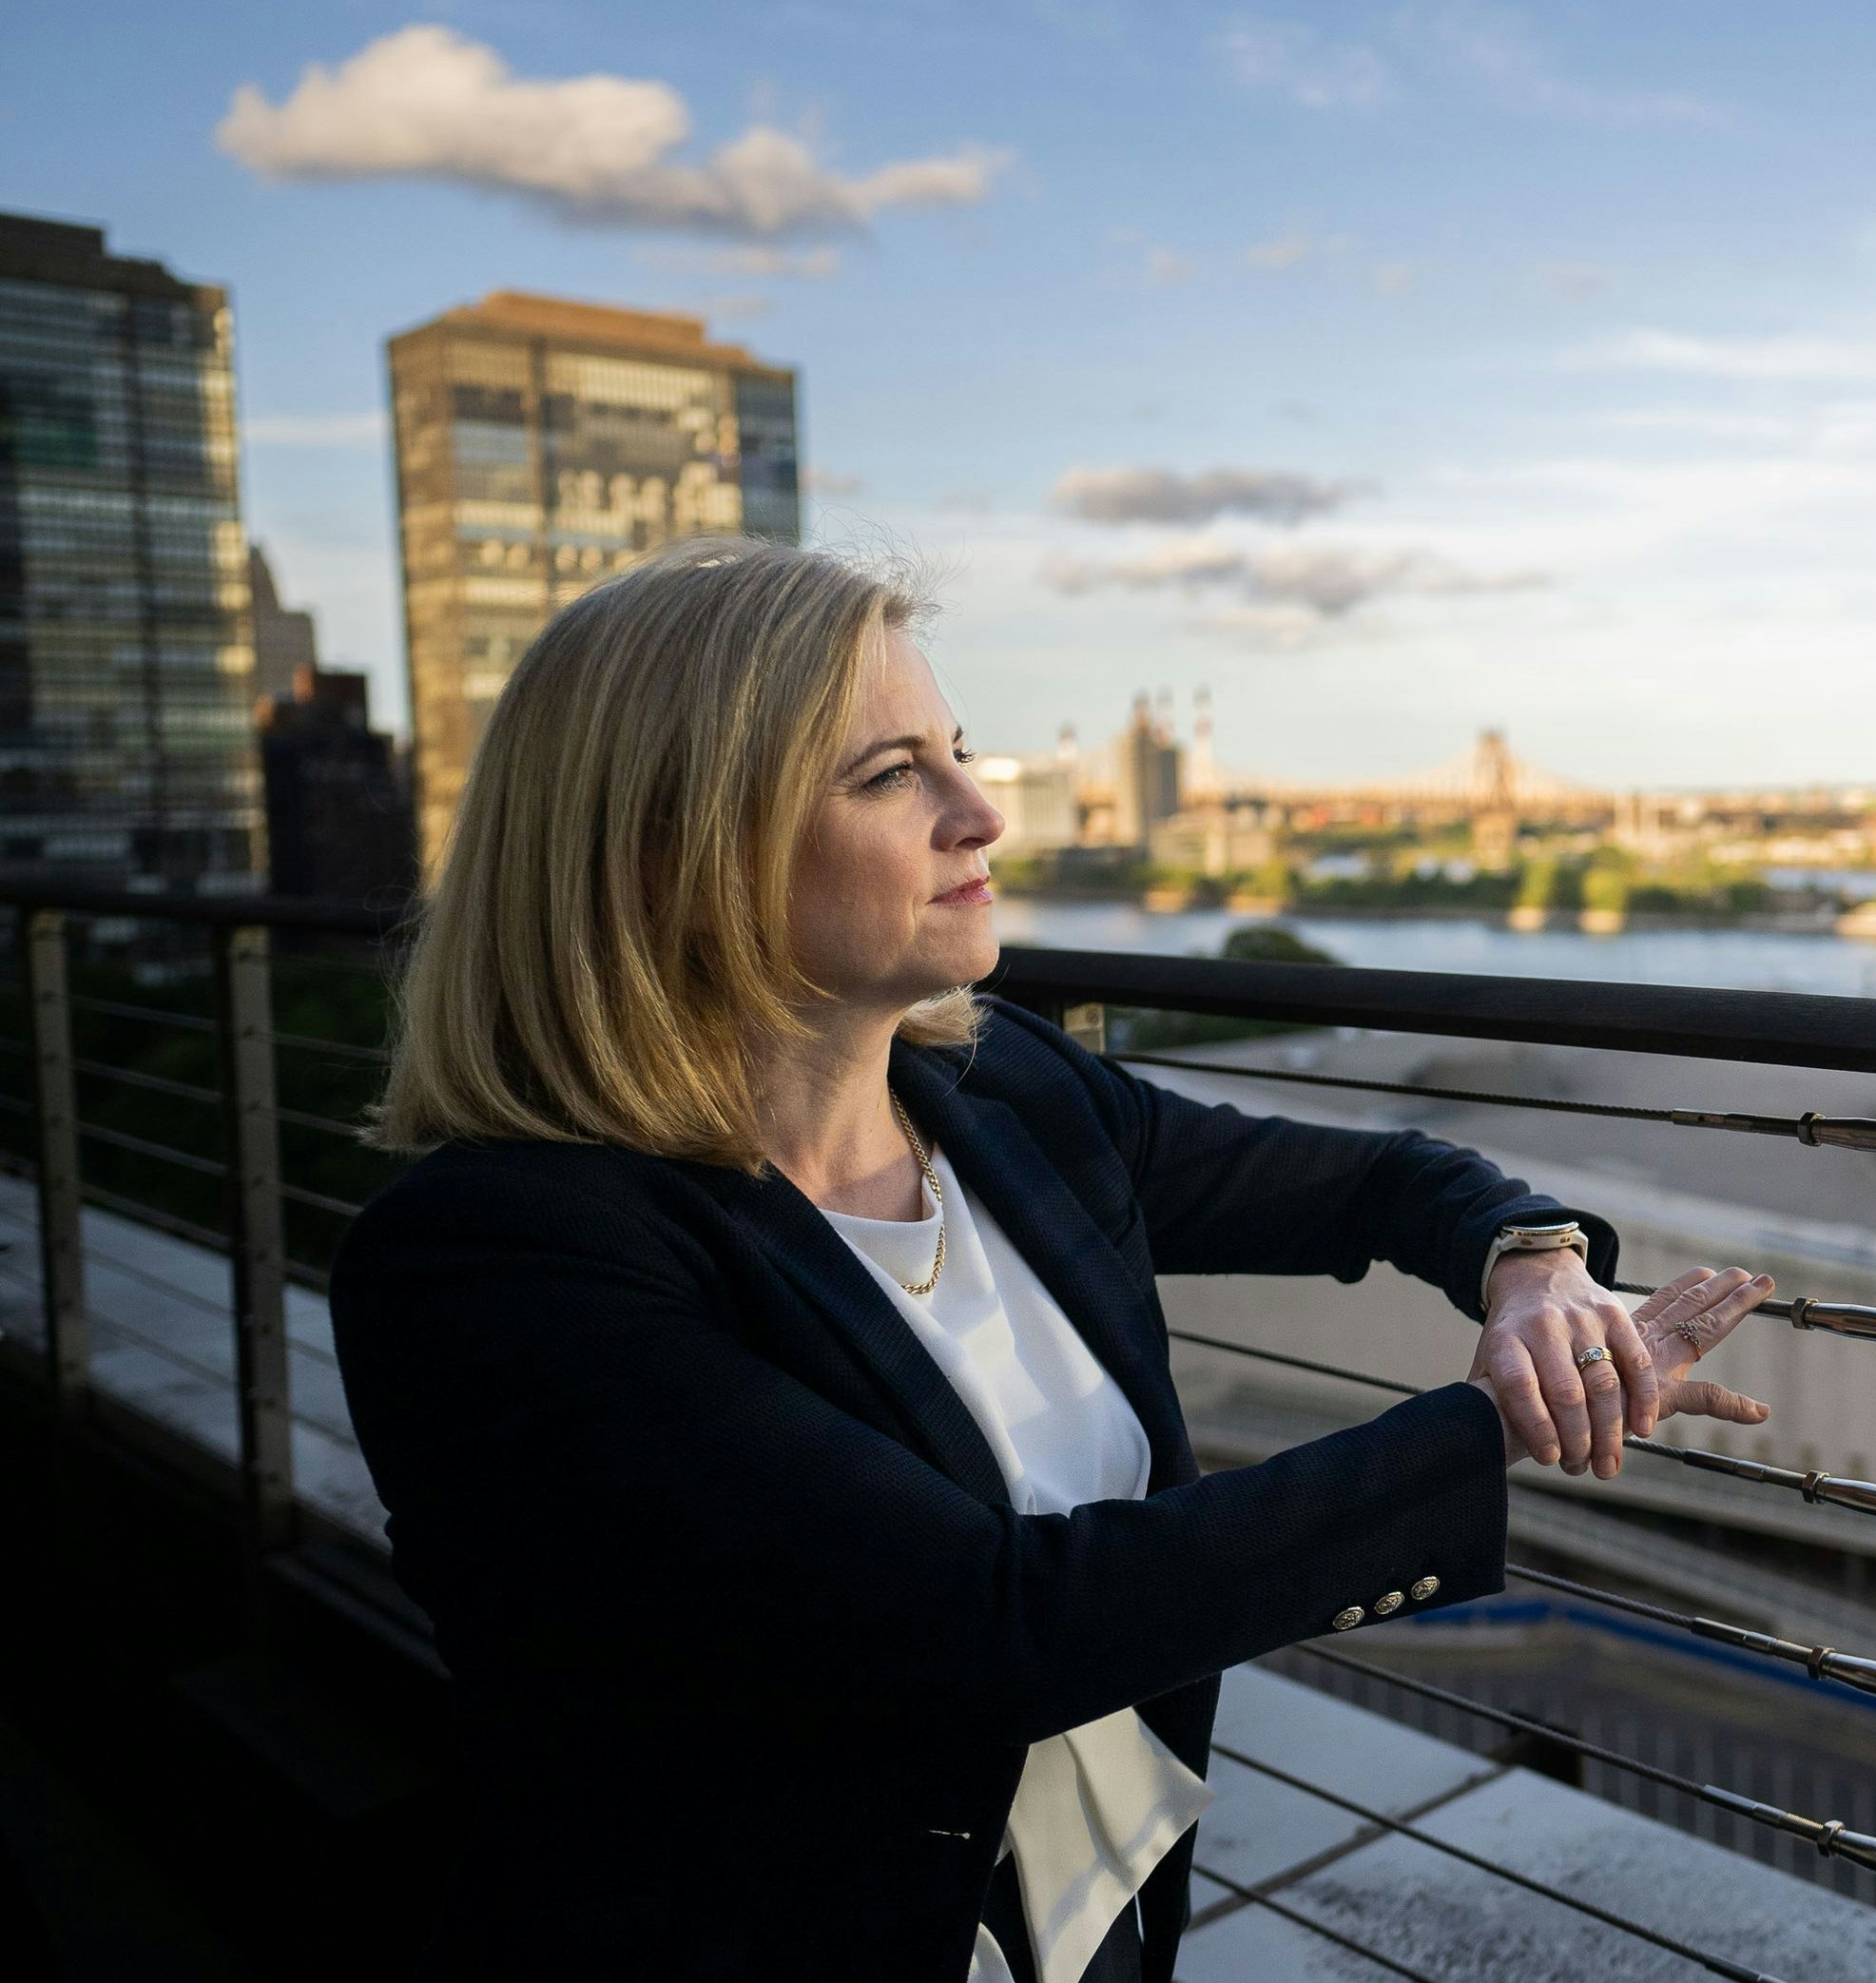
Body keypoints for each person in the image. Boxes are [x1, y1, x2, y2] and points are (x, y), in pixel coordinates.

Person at [331, 537, 1774, 1981]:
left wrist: (1528, 1262)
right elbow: (989, 1627)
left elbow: (1377, 1182)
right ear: (671, 850)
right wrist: (1484, 1426)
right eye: (891, 773)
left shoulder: (1008, 1085)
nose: (982, 815)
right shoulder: (499, 1265)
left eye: (960, 752)